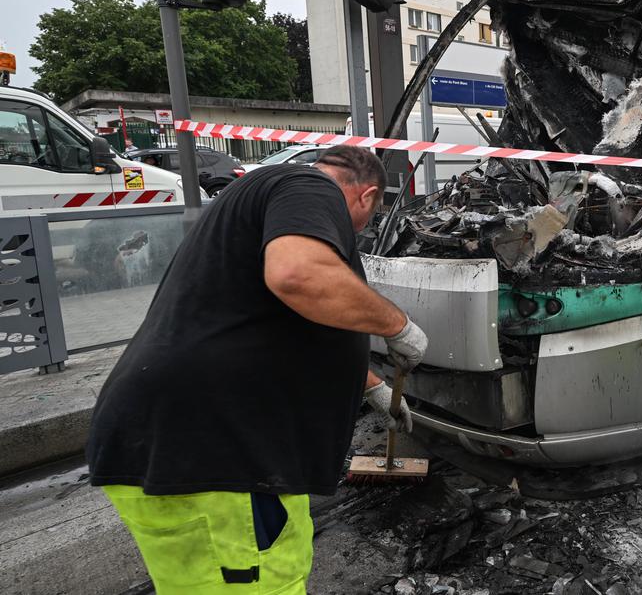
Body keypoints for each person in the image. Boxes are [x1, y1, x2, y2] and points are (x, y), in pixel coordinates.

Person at [86, 145, 429, 593]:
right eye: (368, 217)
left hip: (194, 448)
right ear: (367, 196)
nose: (358, 231)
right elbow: (299, 277)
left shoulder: (256, 200)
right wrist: (397, 326)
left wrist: (370, 387)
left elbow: (278, 320)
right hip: (218, 458)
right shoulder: (307, 185)